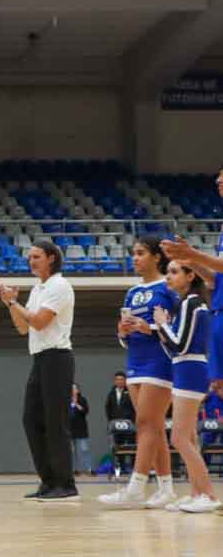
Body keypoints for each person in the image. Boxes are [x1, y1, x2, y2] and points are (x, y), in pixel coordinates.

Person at [99, 237, 178, 509]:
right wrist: (122, 333)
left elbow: (175, 329)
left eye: (141, 253)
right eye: (133, 253)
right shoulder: (132, 292)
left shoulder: (168, 287)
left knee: (145, 423)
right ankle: (166, 488)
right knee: (153, 428)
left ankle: (136, 487)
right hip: (135, 360)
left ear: (157, 257)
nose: (135, 258)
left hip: (160, 360)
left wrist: (151, 329)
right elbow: (127, 331)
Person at [0, 240, 79, 502]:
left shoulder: (60, 285)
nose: (31, 261)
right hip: (39, 358)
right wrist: (12, 305)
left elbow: (40, 322)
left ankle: (65, 484)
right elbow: (24, 328)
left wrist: (15, 302)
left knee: (56, 423)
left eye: (36, 256)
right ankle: (48, 481)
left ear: (51, 258)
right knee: (31, 419)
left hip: (58, 357)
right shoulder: (37, 289)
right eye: (29, 257)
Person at [154, 260, 221, 512]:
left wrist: (161, 323)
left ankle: (210, 496)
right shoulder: (188, 304)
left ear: (191, 275)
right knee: (189, 436)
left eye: (174, 272)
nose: (168, 277)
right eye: (167, 272)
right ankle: (196, 493)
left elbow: (180, 345)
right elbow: (174, 348)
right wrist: (162, 328)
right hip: (184, 367)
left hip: (191, 369)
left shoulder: (192, 302)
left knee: (179, 437)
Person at [161, 167, 223, 389]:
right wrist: (190, 261)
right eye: (218, 178)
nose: (218, 181)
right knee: (218, 385)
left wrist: (193, 254)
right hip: (219, 308)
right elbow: (216, 279)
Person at [70, 383, 91, 475]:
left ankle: (89, 468)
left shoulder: (82, 400)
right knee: (72, 451)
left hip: (81, 428)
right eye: (71, 389)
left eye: (74, 389)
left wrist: (76, 404)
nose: (73, 390)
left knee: (84, 449)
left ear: (78, 390)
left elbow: (85, 411)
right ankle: (75, 470)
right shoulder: (65, 400)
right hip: (69, 429)